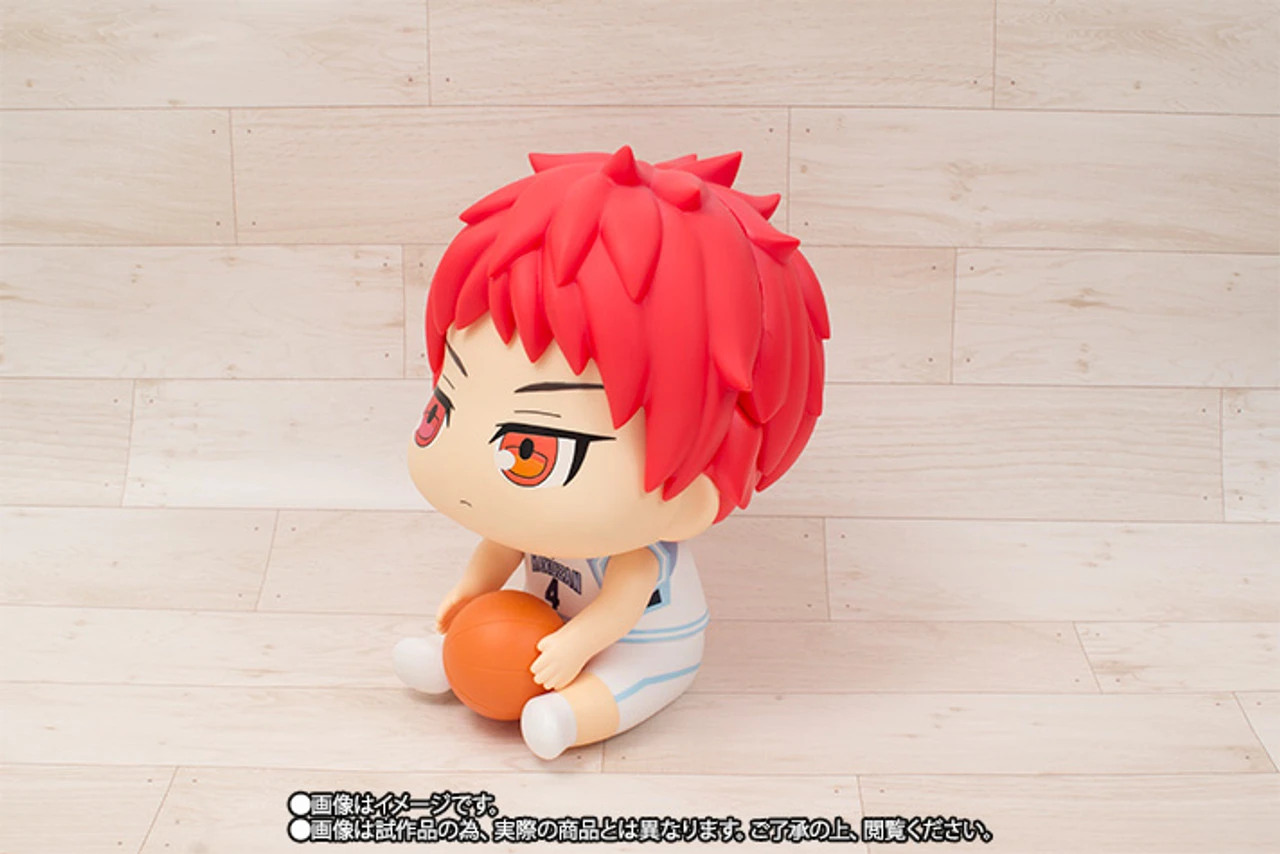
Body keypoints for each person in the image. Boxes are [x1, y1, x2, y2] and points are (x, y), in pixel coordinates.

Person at [393, 146, 828, 760]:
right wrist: (471, 588)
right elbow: (500, 546)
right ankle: (450, 662)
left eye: (531, 450)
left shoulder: (634, 554)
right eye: (442, 409)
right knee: (481, 640)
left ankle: (572, 719)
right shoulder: (535, 524)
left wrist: (576, 646)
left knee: (622, 683)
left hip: (643, 645)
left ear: (698, 486)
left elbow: (621, 608)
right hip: (541, 624)